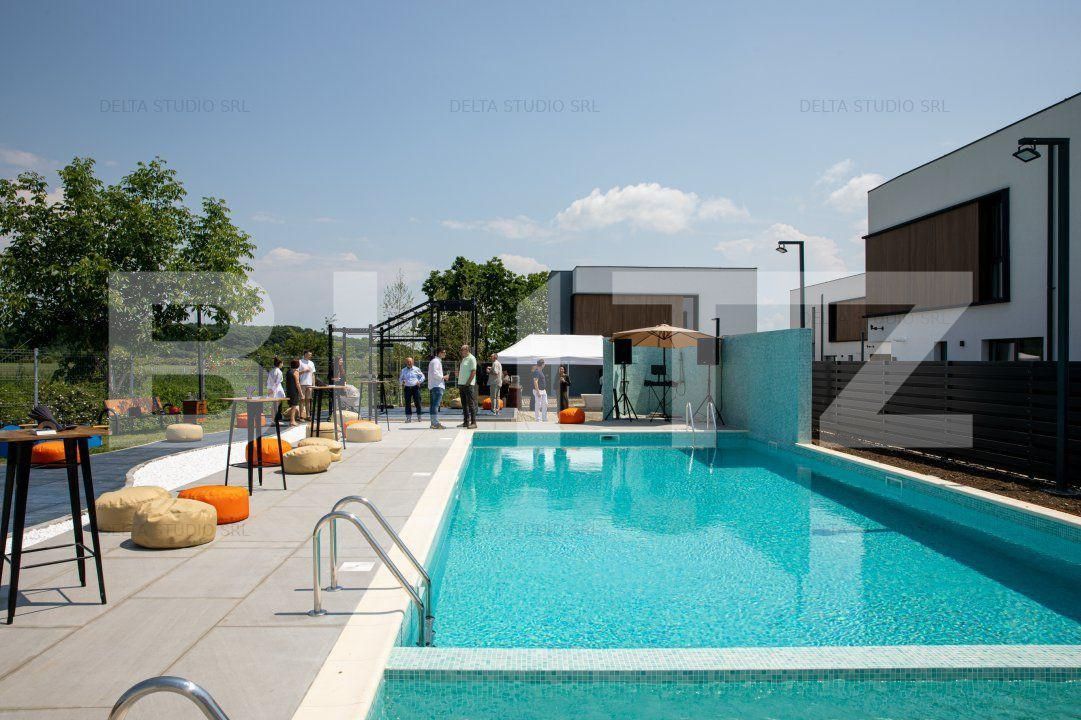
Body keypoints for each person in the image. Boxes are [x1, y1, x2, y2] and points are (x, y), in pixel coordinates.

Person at [427, 348, 449, 429]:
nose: (445, 354)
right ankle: (435, 423)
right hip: (437, 386)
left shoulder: (435, 361)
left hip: (434, 386)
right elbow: (435, 373)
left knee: (433, 406)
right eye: (444, 352)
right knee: (435, 406)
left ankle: (433, 423)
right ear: (439, 353)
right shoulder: (436, 361)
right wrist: (444, 377)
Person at [399, 357, 426, 423]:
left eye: (410, 361)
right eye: (408, 361)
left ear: (413, 362)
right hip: (407, 388)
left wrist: (419, 381)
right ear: (406, 362)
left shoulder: (417, 369)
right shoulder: (403, 370)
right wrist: (402, 381)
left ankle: (419, 417)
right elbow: (400, 379)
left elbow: (423, 376)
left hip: (415, 388)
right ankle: (408, 418)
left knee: (418, 402)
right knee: (407, 403)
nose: (409, 363)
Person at [457, 344, 478, 429]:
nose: (461, 351)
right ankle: (466, 422)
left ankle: (474, 423)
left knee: (471, 404)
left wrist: (468, 383)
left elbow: (473, 372)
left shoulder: (472, 358)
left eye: (462, 350)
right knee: (464, 404)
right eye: (461, 350)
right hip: (461, 384)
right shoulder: (464, 359)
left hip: (468, 385)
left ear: (466, 350)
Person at [298, 350, 316, 421]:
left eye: (311, 355)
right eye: (309, 354)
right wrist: (304, 371)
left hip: (309, 384)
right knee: (302, 399)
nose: (310, 356)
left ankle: (308, 415)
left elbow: (313, 374)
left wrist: (313, 384)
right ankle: (301, 416)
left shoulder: (311, 363)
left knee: (308, 400)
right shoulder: (300, 362)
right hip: (302, 383)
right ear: (305, 354)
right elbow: (297, 373)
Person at [266, 356, 286, 421]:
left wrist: (269, 389)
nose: (283, 365)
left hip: (272, 388)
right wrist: (272, 389)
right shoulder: (279, 372)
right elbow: (277, 382)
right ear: (280, 363)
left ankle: (273, 419)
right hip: (277, 389)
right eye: (282, 363)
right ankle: (274, 419)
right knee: (276, 405)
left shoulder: (271, 371)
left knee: (274, 404)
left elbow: (269, 381)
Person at [285, 359, 302, 426]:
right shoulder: (296, 372)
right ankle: (292, 420)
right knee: (294, 406)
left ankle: (292, 420)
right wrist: (301, 393)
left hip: (289, 390)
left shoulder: (288, 371)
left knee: (292, 405)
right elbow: (297, 383)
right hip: (294, 390)